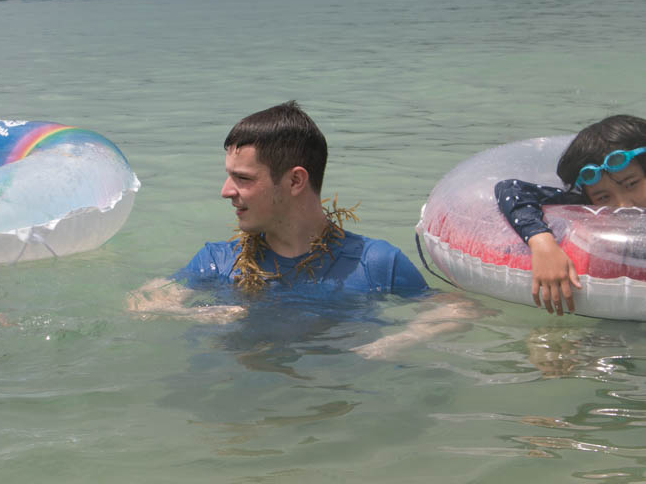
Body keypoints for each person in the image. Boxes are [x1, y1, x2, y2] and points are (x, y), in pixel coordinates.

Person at [128, 101, 479, 358]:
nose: (225, 191)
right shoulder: (219, 262)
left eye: (243, 179)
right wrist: (196, 315)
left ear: (295, 180)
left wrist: (390, 344)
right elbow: (138, 303)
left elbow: (460, 309)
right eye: (229, 175)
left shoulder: (374, 263)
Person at [494, 114, 646, 315]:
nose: (622, 204)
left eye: (631, 184)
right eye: (603, 197)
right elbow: (510, 189)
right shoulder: (583, 204)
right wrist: (542, 242)